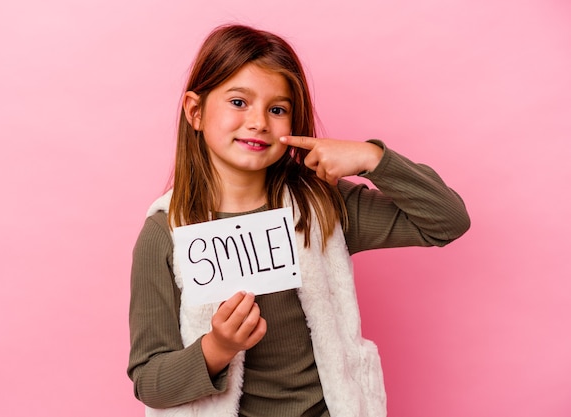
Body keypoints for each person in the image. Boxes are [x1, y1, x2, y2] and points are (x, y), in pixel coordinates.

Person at [127, 24, 470, 417]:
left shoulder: (321, 205)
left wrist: (372, 159)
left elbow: (446, 221)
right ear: (196, 111)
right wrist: (217, 348)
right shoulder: (164, 234)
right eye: (239, 102)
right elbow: (150, 381)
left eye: (277, 109)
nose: (258, 122)